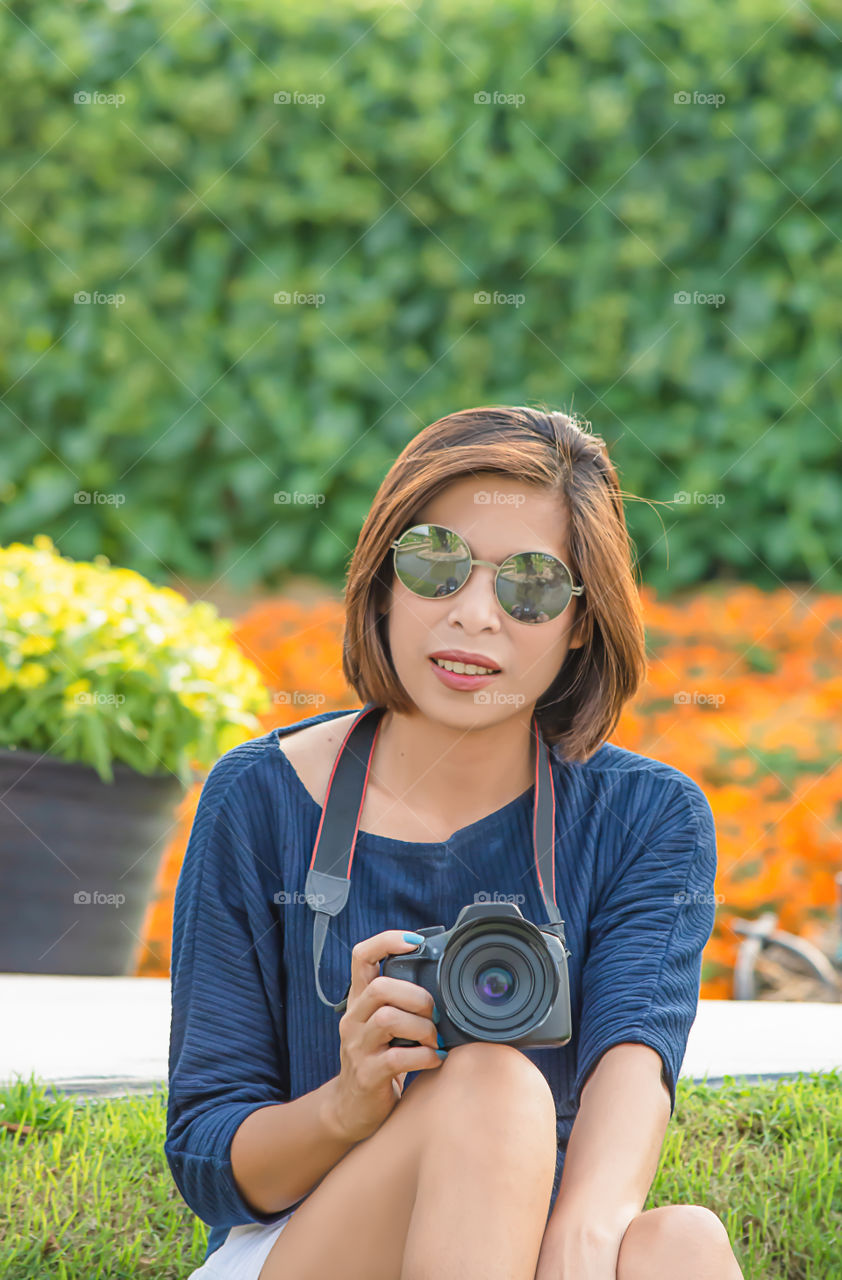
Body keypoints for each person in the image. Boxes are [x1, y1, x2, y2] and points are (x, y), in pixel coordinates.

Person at [165, 405, 745, 1279]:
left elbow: (627, 1082)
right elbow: (209, 1164)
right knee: (492, 1086)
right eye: (436, 564)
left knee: (681, 1245)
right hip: (307, 1248)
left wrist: (584, 1251)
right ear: (383, 580)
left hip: (525, 1249)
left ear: (581, 621)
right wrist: (346, 1105)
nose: (474, 616)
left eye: (532, 585)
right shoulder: (261, 797)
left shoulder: (646, 818)